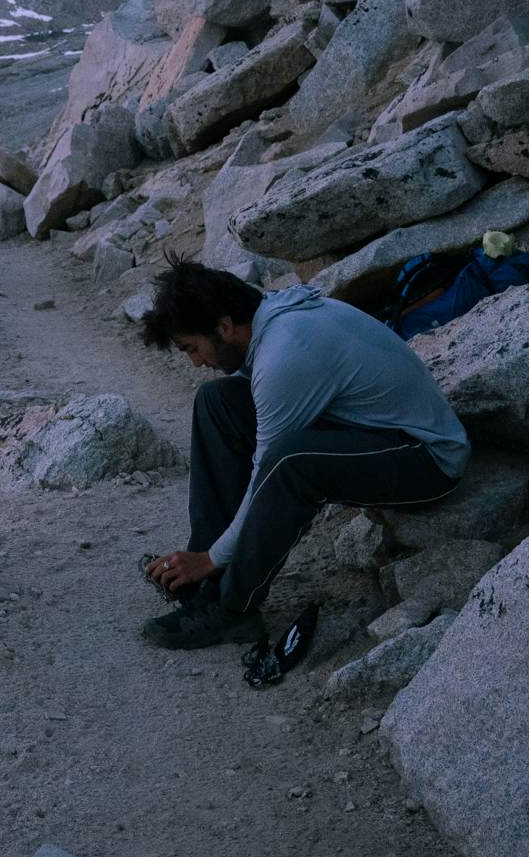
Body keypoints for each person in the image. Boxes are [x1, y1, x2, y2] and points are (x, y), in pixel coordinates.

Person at [135, 260, 471, 650]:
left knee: (290, 461)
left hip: (425, 458)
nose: (196, 363)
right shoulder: (270, 319)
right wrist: (206, 557)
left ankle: (232, 608)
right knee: (217, 402)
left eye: (193, 348)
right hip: (366, 432)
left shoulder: (285, 351)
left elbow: (266, 473)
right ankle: (202, 582)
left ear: (224, 326)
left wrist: (215, 555)